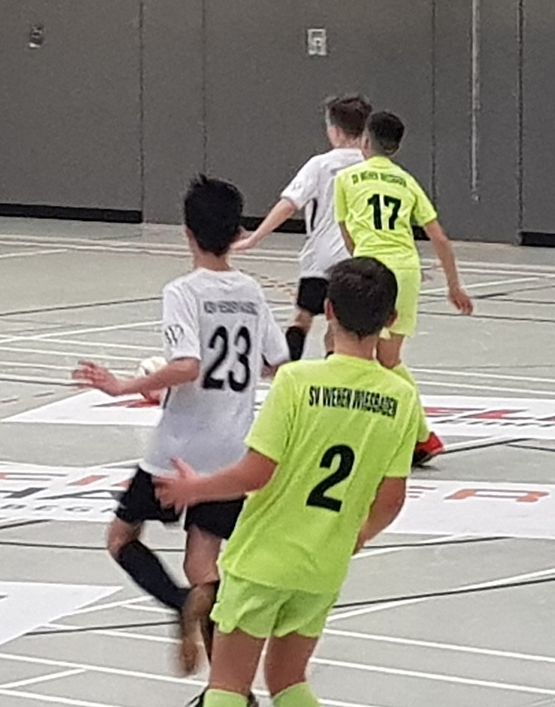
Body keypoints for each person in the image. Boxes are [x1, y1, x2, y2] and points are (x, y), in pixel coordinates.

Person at [154, 257, 421, 707]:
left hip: (263, 560)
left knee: (228, 685)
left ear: (329, 310)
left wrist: (195, 488)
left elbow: (257, 471)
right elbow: (391, 499)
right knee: (288, 681)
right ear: (392, 319)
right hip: (323, 566)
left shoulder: (297, 381)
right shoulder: (402, 397)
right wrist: (356, 535)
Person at [72, 175, 288, 674]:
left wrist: (124, 386)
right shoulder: (251, 291)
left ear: (187, 233)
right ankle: (229, 691)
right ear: (237, 233)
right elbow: (276, 362)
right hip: (232, 451)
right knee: (203, 565)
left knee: (122, 538)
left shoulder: (183, 292)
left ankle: (178, 603)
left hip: (178, 449)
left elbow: (188, 365)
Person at [333, 110, 474, 467]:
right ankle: (412, 435)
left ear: (365, 141)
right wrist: (454, 285)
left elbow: (347, 234)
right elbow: (439, 237)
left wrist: (361, 263)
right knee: (389, 359)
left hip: (370, 269)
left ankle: (411, 434)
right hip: (406, 270)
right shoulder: (407, 182)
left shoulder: (346, 178)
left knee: (353, 351)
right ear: (395, 148)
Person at [233, 95, 371, 360]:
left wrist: (255, 238)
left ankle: (286, 372)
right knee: (339, 328)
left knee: (302, 317)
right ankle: (335, 377)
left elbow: (289, 204)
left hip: (321, 259)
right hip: (358, 258)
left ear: (335, 131)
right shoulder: (371, 166)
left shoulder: (321, 165)